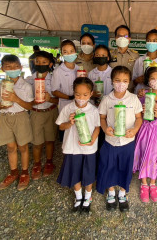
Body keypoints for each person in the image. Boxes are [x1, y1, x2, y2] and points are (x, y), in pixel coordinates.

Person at [97, 66, 143, 212]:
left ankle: (123, 193)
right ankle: (111, 192)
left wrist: (135, 130)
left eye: (124, 81)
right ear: (111, 81)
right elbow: (102, 117)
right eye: (117, 80)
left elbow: (138, 118)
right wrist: (105, 129)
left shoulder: (134, 98)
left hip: (128, 141)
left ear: (129, 82)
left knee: (125, 166)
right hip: (110, 141)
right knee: (108, 165)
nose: (121, 83)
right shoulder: (106, 99)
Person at [0, 55, 34, 191]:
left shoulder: (25, 86)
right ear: (3, 68)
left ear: (20, 67)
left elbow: (29, 106)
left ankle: (25, 172)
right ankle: (14, 172)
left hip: (21, 117)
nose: (12, 70)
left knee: (23, 147)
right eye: (8, 67)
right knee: (10, 147)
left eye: (15, 67)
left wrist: (16, 98)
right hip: (5, 117)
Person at [56, 77, 100, 213]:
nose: (81, 98)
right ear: (73, 92)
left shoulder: (93, 110)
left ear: (91, 94)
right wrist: (69, 123)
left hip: (88, 148)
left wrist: (92, 140)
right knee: (74, 172)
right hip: (72, 148)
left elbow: (97, 127)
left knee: (88, 172)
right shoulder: (67, 108)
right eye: (77, 94)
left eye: (85, 95)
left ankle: (88, 196)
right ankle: (78, 197)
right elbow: (61, 127)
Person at [133, 66, 157, 203]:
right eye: (152, 78)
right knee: (144, 153)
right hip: (145, 128)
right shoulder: (143, 94)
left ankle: (153, 183)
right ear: (147, 81)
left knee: (155, 156)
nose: (155, 81)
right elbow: (136, 113)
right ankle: (144, 183)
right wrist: (142, 110)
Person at [26, 51, 59, 180]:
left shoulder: (54, 79)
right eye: (37, 62)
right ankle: (37, 164)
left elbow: (58, 100)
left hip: (51, 112)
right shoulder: (30, 80)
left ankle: (49, 162)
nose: (40, 64)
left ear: (50, 64)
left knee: (50, 140)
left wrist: (50, 99)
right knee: (37, 142)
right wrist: (33, 101)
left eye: (44, 62)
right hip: (36, 113)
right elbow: (26, 99)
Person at [109, 25, 140, 91]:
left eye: (125, 36)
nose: (122, 38)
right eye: (119, 36)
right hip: (112, 92)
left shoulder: (135, 55)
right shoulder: (109, 54)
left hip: (130, 92)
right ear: (115, 38)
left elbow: (138, 75)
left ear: (129, 39)